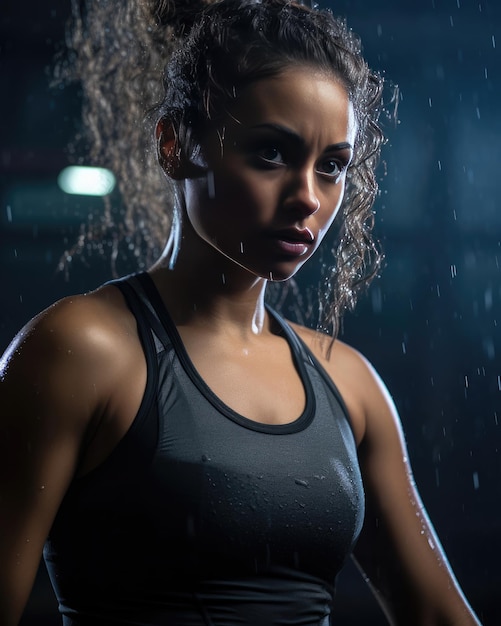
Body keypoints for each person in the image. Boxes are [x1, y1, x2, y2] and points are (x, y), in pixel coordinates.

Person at [0, 1, 482, 624]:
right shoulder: (82, 350)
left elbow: (441, 617)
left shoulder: (350, 385)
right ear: (176, 145)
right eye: (271, 154)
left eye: (332, 166)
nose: (308, 196)